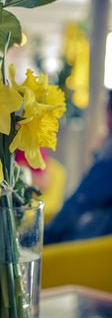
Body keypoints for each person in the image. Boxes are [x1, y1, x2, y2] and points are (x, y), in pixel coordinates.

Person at [44, 90, 112, 244]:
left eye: (106, 111)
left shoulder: (108, 160)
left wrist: (47, 234)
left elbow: (78, 204)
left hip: (78, 248)